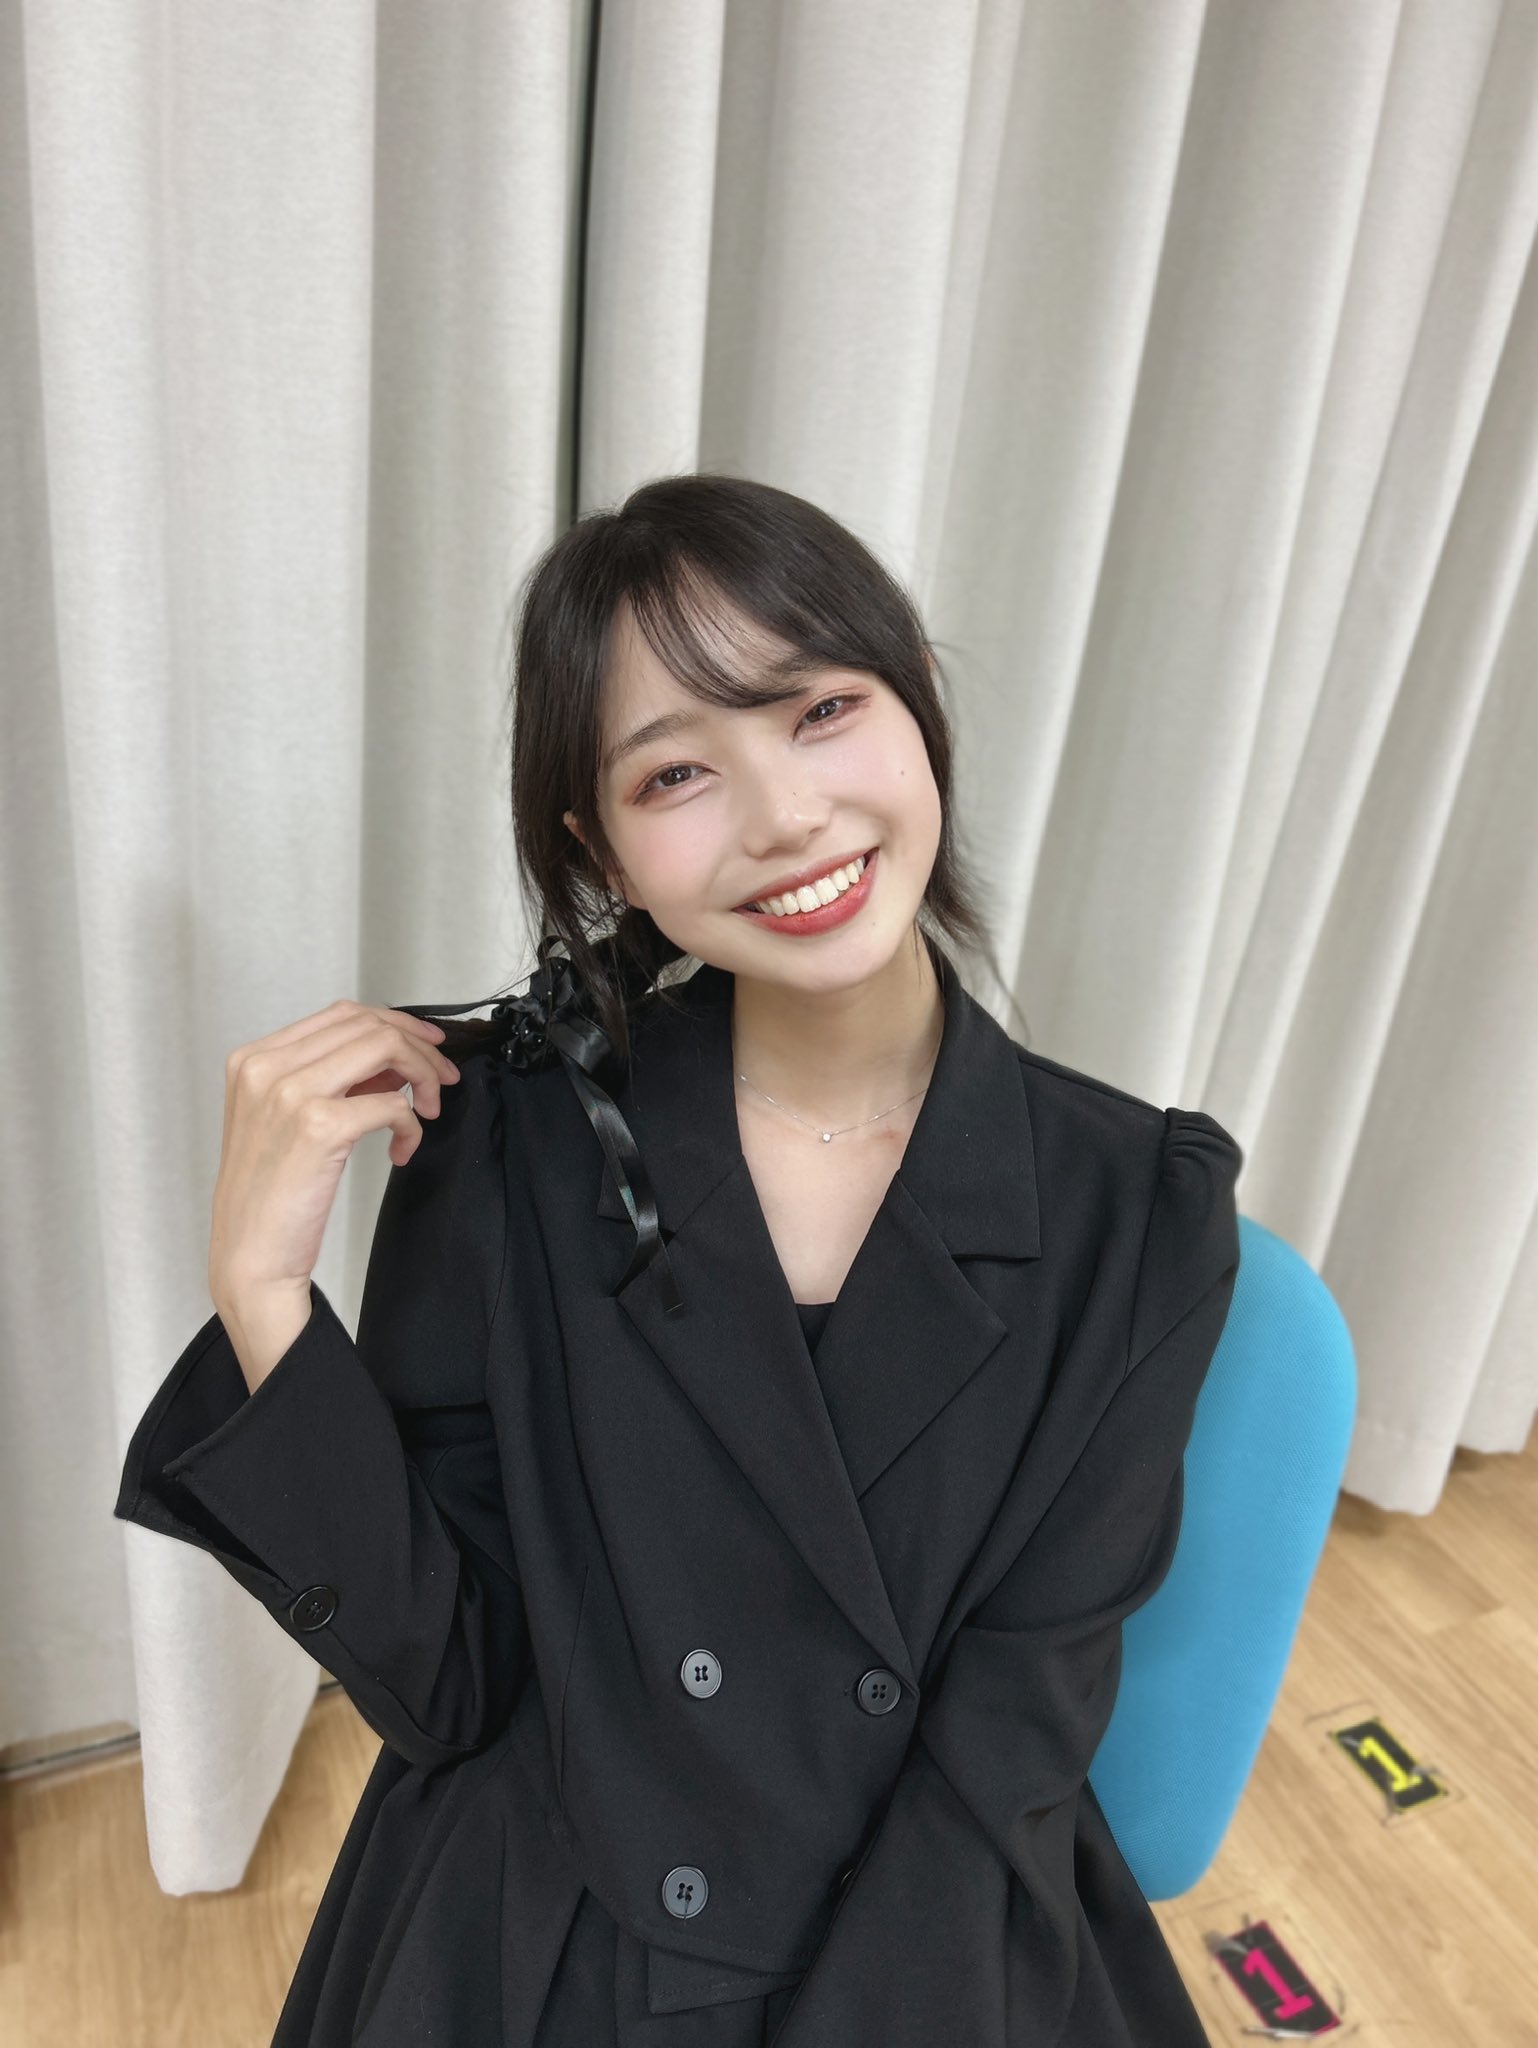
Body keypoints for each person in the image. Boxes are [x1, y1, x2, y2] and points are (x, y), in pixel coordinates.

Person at [115, 472, 1242, 2046]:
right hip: (564, 1920)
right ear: (601, 848)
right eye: (676, 774)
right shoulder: (513, 1137)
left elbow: (1010, 1738)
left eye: (820, 709)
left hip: (931, 1927)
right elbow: (449, 1685)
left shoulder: (1139, 1206)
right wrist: (262, 1297)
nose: (782, 817)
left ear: (917, 703)